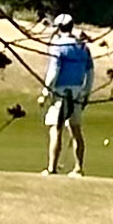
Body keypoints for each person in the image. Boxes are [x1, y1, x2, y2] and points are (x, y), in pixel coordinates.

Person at [40, 13, 95, 175]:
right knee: (76, 129)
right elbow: (90, 72)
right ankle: (78, 168)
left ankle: (52, 168)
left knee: (55, 129)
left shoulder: (58, 46)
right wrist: (86, 93)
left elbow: (54, 71)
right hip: (78, 91)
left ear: (58, 28)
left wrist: (45, 92)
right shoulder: (83, 47)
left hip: (60, 92)